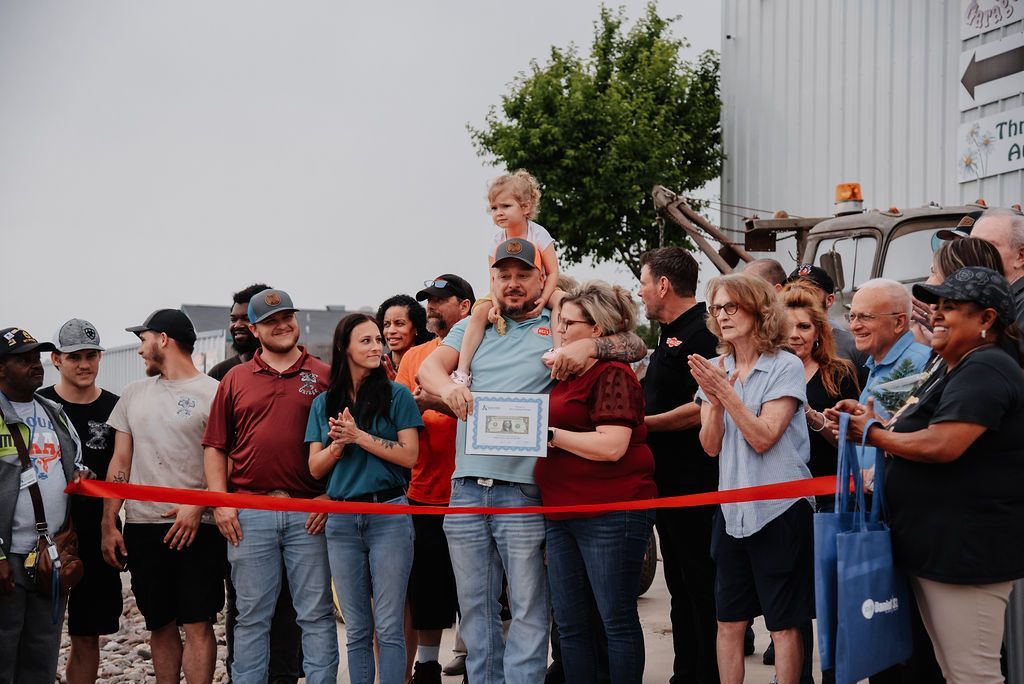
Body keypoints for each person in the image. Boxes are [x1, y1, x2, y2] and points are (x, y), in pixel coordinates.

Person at [417, 237, 648, 684]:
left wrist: (590, 348)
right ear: (493, 281)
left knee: (528, 607)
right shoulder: (474, 325)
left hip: (524, 489)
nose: (514, 283)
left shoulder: (563, 324)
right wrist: (449, 390)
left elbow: (634, 343)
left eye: (524, 274)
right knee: (476, 608)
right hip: (466, 486)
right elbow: (430, 369)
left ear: (543, 278)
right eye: (504, 275)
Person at [834, 266, 1024, 684]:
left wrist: (874, 434)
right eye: (935, 305)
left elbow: (942, 445)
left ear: (987, 319)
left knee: (972, 675)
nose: (935, 315)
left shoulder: (987, 368)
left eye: (950, 307)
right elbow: (912, 432)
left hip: (965, 558)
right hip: (939, 552)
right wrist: (870, 422)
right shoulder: (957, 366)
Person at [203, 289, 338, 684]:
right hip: (249, 513)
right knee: (251, 616)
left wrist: (331, 498)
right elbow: (215, 447)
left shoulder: (326, 376)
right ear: (254, 329)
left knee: (314, 614)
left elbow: (346, 444)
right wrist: (222, 504)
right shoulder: (234, 379)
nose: (282, 326)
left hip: (309, 512)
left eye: (287, 318)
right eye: (271, 321)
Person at [688, 273, 814, 684]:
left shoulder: (785, 365)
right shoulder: (717, 367)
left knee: (783, 624)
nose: (721, 316)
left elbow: (763, 437)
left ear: (758, 310)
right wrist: (716, 402)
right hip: (733, 511)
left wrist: (724, 394)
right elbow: (709, 446)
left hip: (779, 509)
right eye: (715, 308)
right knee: (728, 621)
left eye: (730, 307)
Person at [536, 280, 658, 683]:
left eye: (569, 323)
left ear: (597, 331)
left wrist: (548, 435)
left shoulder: (613, 374)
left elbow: (612, 446)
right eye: (560, 321)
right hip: (561, 512)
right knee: (571, 625)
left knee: (615, 620)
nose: (561, 330)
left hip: (610, 512)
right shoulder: (564, 374)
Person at [101, 309, 224, 684]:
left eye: (143, 340)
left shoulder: (213, 392)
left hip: (198, 527)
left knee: (199, 622)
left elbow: (227, 461)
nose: (141, 350)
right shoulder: (133, 394)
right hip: (142, 527)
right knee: (160, 623)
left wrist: (199, 503)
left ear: (164, 339)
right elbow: (120, 461)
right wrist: (109, 522)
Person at [307, 313, 423, 684]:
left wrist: (360, 437)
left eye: (378, 339)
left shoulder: (397, 395)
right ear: (345, 348)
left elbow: (409, 456)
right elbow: (314, 468)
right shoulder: (323, 403)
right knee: (357, 629)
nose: (377, 346)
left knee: (388, 627)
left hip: (388, 515)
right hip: (341, 521)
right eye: (367, 341)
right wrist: (339, 446)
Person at [636, 247, 722, 684]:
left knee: (700, 586)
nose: (641, 292)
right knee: (680, 588)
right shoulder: (669, 331)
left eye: (644, 282)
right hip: (667, 482)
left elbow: (701, 404)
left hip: (695, 481)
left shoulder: (703, 333)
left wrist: (641, 425)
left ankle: (705, 672)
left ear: (664, 285)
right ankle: (685, 671)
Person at [395, 274, 476, 684]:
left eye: (441, 300)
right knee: (427, 588)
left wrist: (434, 401)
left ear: (465, 308)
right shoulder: (415, 358)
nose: (431, 307)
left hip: (477, 492)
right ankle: (427, 664)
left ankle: (477, 661)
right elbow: (399, 416)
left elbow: (485, 414)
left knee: (477, 590)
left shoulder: (483, 350)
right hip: (425, 491)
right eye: (428, 300)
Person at [0, 328, 90, 684]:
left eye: (36, 358)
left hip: (49, 558)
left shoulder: (54, 412)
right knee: (3, 653)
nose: (35, 366)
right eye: (23, 359)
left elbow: (77, 464)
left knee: (41, 653)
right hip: (8, 559)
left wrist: (84, 477)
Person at [36, 320, 121, 684]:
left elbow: (123, 475)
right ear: (55, 359)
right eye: (74, 357)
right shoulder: (38, 405)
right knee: (37, 637)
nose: (85, 364)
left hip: (97, 534)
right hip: (44, 536)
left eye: (91, 355)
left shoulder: (116, 409)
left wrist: (110, 528)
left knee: (87, 635)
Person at [452, 169, 561, 387]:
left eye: (505, 206)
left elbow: (552, 272)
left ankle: (558, 349)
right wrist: (494, 304)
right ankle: (462, 371)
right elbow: (494, 279)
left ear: (526, 207)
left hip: (542, 287)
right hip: (504, 292)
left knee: (562, 302)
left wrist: (544, 299)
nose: (499, 212)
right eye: (494, 208)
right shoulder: (495, 241)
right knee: (479, 311)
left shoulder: (539, 234)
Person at [781, 286, 859, 494]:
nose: (794, 335)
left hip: (828, 493)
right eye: (787, 326)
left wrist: (807, 411)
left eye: (804, 327)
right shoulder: (764, 374)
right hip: (780, 494)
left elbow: (849, 440)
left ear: (818, 332)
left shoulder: (838, 372)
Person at [846, 279, 930, 468]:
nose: (854, 326)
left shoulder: (922, 363)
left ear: (899, 322)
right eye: (851, 317)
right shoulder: (876, 361)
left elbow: (924, 439)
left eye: (865, 317)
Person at [785, 263, 867, 370]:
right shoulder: (776, 345)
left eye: (810, 292)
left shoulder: (852, 346)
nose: (802, 296)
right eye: (795, 290)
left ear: (829, 300)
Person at [968, 207, 1024, 328]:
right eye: (971, 245)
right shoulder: (1000, 300)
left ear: (1020, 256)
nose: (973, 252)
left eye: (986, 246)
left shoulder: (1019, 306)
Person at [208, 282, 271, 381]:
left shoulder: (290, 370)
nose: (237, 325)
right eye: (233, 319)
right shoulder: (220, 374)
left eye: (247, 318)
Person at [376, 294, 433, 376]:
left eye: (399, 324)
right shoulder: (376, 367)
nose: (391, 331)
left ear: (416, 327)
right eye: (386, 325)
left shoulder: (430, 364)